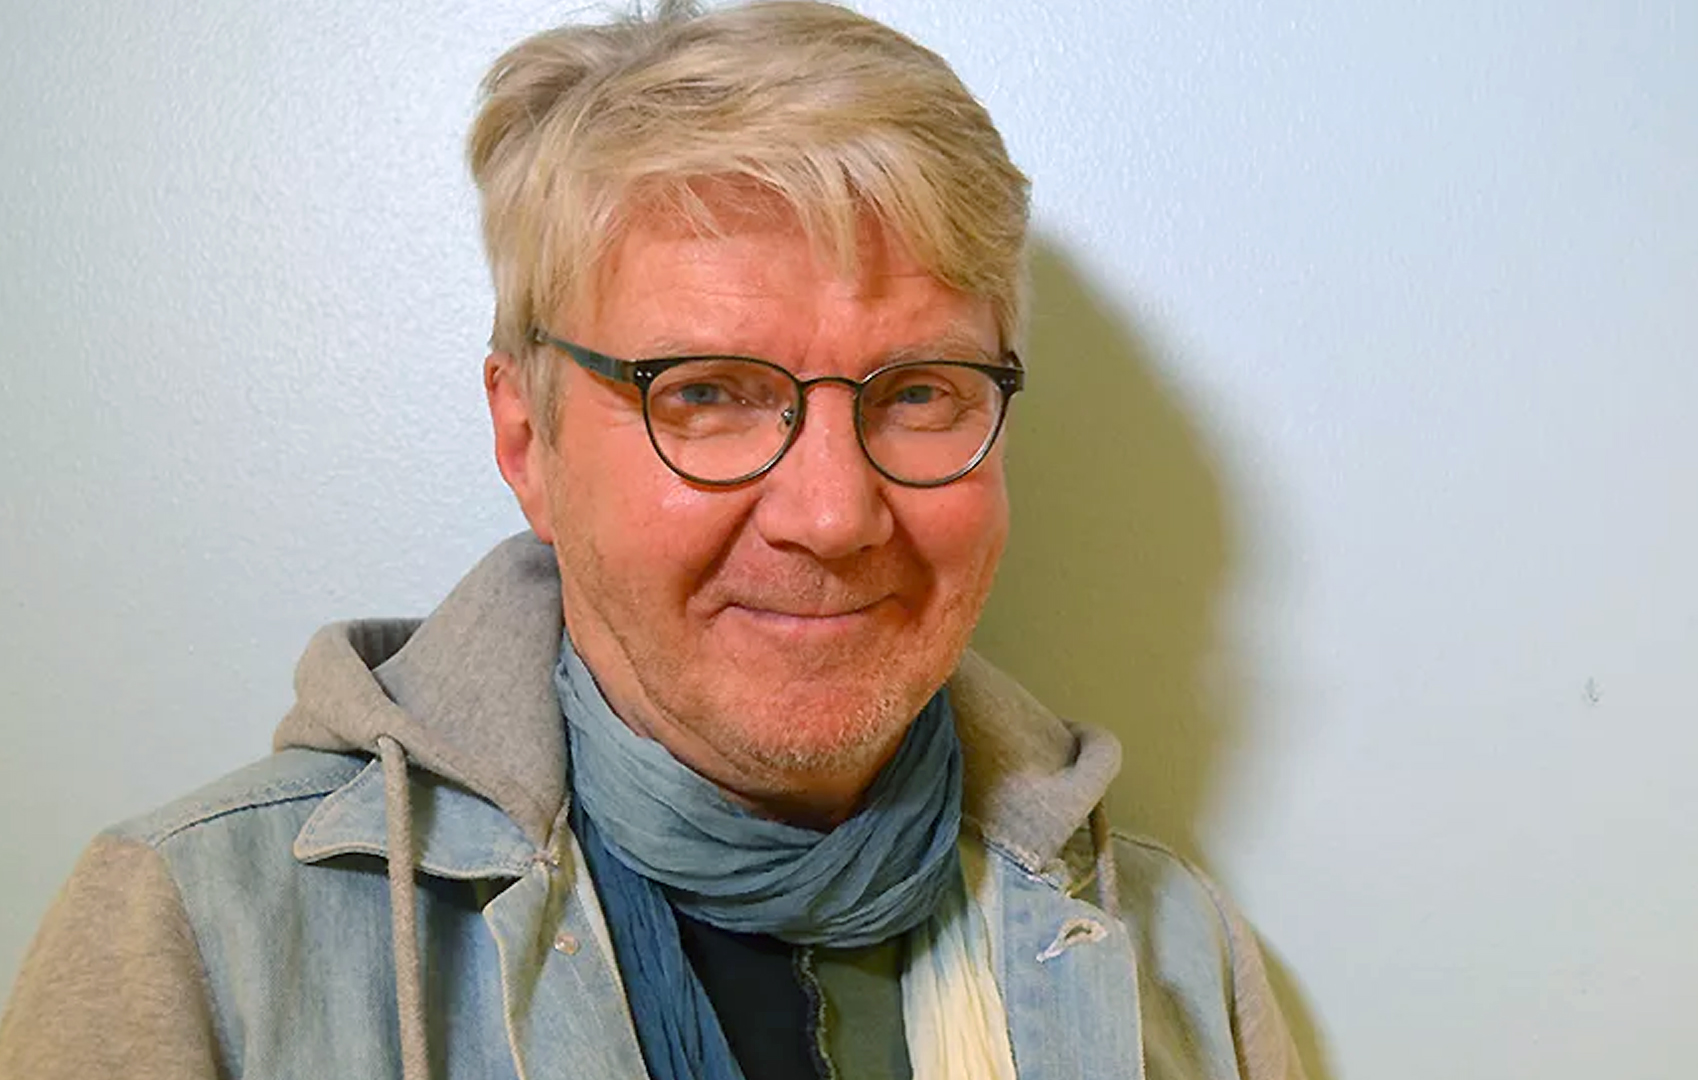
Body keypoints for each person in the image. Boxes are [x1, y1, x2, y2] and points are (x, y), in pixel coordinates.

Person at [0, 3, 1302, 1078]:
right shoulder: (201, 942)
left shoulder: (1172, 959)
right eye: (710, 394)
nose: (832, 515)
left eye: (918, 392)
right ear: (529, 440)